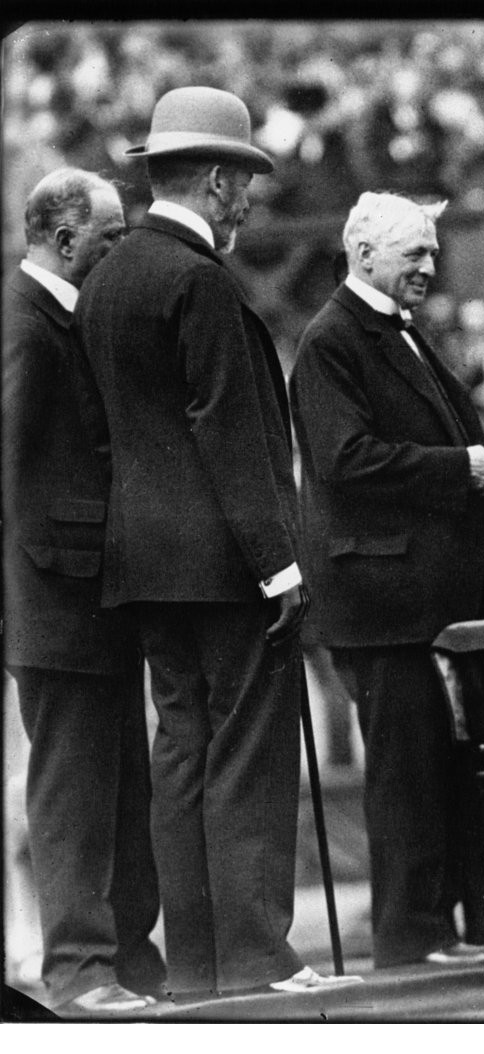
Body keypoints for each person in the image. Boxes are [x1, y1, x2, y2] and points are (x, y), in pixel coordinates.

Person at [73, 86, 354, 996]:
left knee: (183, 756)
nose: (249, 204)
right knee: (244, 757)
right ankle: (260, 956)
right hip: (225, 566)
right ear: (220, 182)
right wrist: (280, 564)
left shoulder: (107, 276)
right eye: (243, 185)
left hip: (144, 563)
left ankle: (196, 963)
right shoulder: (197, 279)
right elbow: (228, 432)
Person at [290, 192, 484, 967]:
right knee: (408, 781)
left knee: (447, 771)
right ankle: (412, 938)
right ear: (363, 255)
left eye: (432, 252)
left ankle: (480, 923)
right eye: (414, 254)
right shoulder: (334, 341)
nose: (430, 265)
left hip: (423, 601)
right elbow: (345, 461)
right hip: (386, 606)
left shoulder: (396, 333)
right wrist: (461, 467)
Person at [2, 169, 165, 1015]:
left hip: (91, 603)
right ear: (66, 241)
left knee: (121, 789)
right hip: (53, 605)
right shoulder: (25, 325)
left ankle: (128, 962)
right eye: (107, 237)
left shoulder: (62, 319)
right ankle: (78, 972)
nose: (117, 250)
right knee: (72, 798)